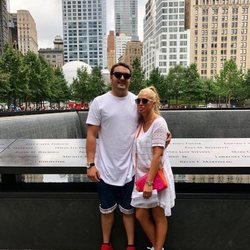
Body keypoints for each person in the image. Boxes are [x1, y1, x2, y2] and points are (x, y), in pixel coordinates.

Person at [86, 62, 138, 250]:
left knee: (128, 211)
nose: (122, 79)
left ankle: (130, 245)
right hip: (105, 169)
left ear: (130, 79)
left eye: (126, 76)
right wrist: (90, 164)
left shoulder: (137, 101)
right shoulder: (99, 102)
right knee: (106, 211)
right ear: (111, 77)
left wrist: (164, 133)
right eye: (118, 75)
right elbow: (91, 135)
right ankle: (106, 244)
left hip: (130, 170)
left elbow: (152, 122)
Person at [131, 86, 176, 250]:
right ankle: (159, 248)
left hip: (154, 175)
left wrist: (149, 183)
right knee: (141, 214)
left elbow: (158, 155)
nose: (140, 104)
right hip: (141, 175)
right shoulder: (141, 121)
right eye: (138, 100)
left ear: (154, 102)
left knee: (158, 215)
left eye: (145, 101)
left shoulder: (159, 123)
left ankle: (157, 248)